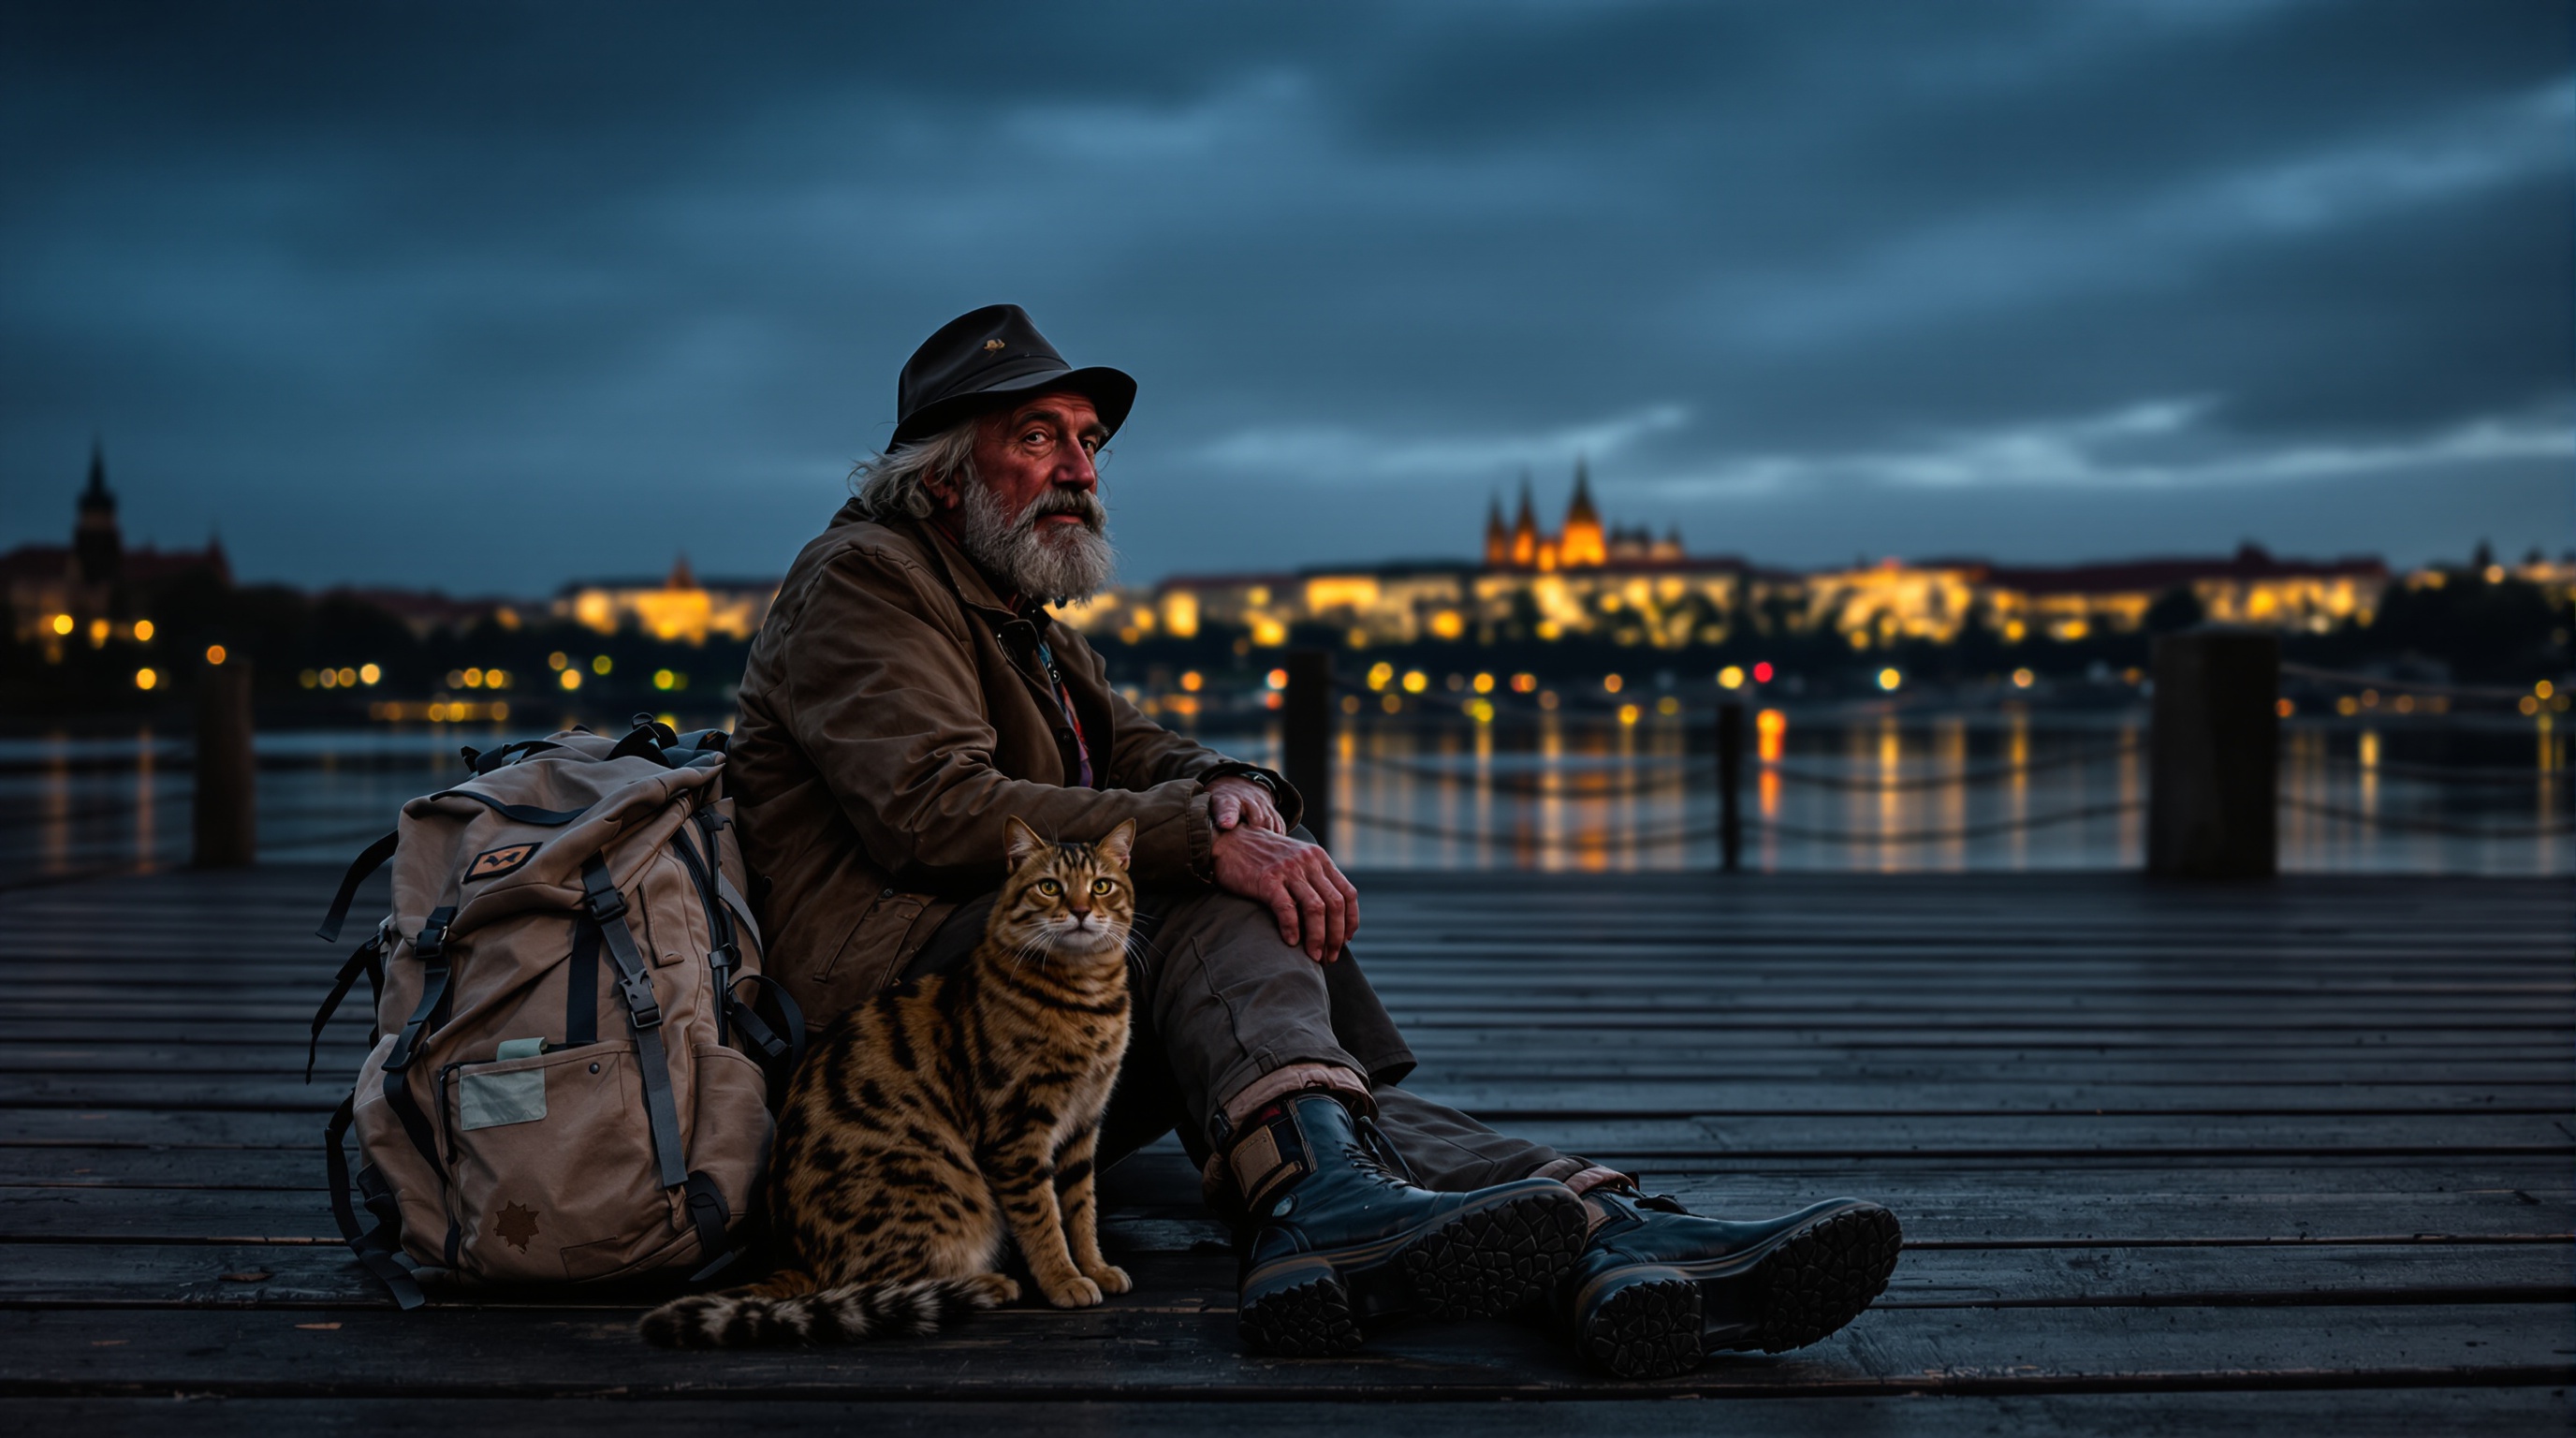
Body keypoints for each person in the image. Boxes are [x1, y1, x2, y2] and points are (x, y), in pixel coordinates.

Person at [725, 304, 1900, 1376]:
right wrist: (1209, 844)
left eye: (1087, 443)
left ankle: (1602, 1231)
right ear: (938, 476)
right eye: (1039, 439)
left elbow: (1136, 748)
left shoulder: (1014, 611)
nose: (1080, 471)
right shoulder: (867, 582)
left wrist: (1233, 789)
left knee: (1278, 1054)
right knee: (1210, 897)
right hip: (892, 1032)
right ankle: (1355, 1203)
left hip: (1017, 1003)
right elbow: (933, 807)